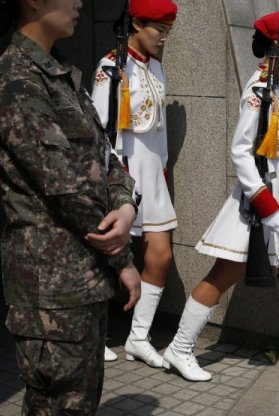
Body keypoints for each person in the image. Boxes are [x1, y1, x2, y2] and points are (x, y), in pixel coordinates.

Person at [160, 10, 279, 383]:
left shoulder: (277, 84)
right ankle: (179, 349)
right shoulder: (259, 89)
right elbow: (240, 151)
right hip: (259, 201)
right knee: (221, 276)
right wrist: (266, 205)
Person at [0, 0, 141, 413]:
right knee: (57, 405)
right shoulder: (16, 79)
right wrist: (124, 258)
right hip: (51, 287)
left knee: (80, 401)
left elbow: (105, 157)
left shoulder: (60, 73)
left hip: (83, 276)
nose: (80, 1)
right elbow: (65, 187)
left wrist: (125, 206)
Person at [91, 0, 178, 367]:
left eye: (167, 31)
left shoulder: (155, 67)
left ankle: (139, 338)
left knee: (161, 256)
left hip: (152, 174)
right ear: (136, 24)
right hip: (120, 173)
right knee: (104, 258)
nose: (162, 38)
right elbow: (99, 130)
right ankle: (93, 337)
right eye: (157, 29)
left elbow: (158, 129)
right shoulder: (111, 67)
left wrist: (163, 167)